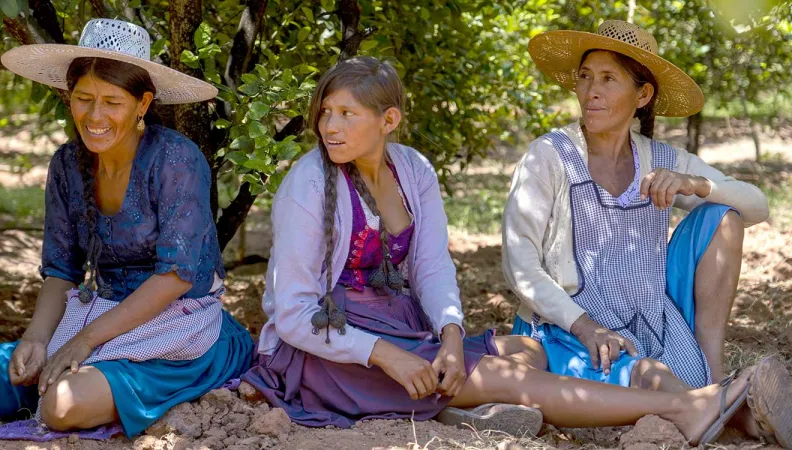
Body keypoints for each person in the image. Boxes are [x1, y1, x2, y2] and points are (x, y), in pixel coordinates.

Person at [238, 56, 789, 447]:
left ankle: (463, 409)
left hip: (403, 327)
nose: (328, 126)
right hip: (335, 345)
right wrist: (388, 355)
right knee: (515, 373)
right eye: (325, 112)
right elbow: (293, 312)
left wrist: (451, 335)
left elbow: (431, 267)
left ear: (389, 121)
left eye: (346, 114)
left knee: (508, 358)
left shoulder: (413, 170)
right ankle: (692, 408)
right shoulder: (309, 185)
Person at [502, 20, 789, 445]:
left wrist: (694, 185)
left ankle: (712, 377)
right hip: (571, 323)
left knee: (723, 215)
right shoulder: (550, 156)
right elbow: (519, 263)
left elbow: (757, 205)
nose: (590, 91)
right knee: (651, 379)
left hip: (650, 312)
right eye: (584, 77)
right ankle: (734, 409)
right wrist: (584, 326)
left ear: (643, 95)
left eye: (607, 79)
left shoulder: (659, 157)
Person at [0, 19, 253, 437]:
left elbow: (174, 278)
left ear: (143, 103)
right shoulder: (67, 164)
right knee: (18, 372)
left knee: (62, 406)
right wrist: (37, 338)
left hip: (177, 324)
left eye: (112, 102)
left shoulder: (175, 159)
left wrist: (83, 343)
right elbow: (62, 270)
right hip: (96, 312)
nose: (94, 115)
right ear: (69, 98)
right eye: (83, 98)